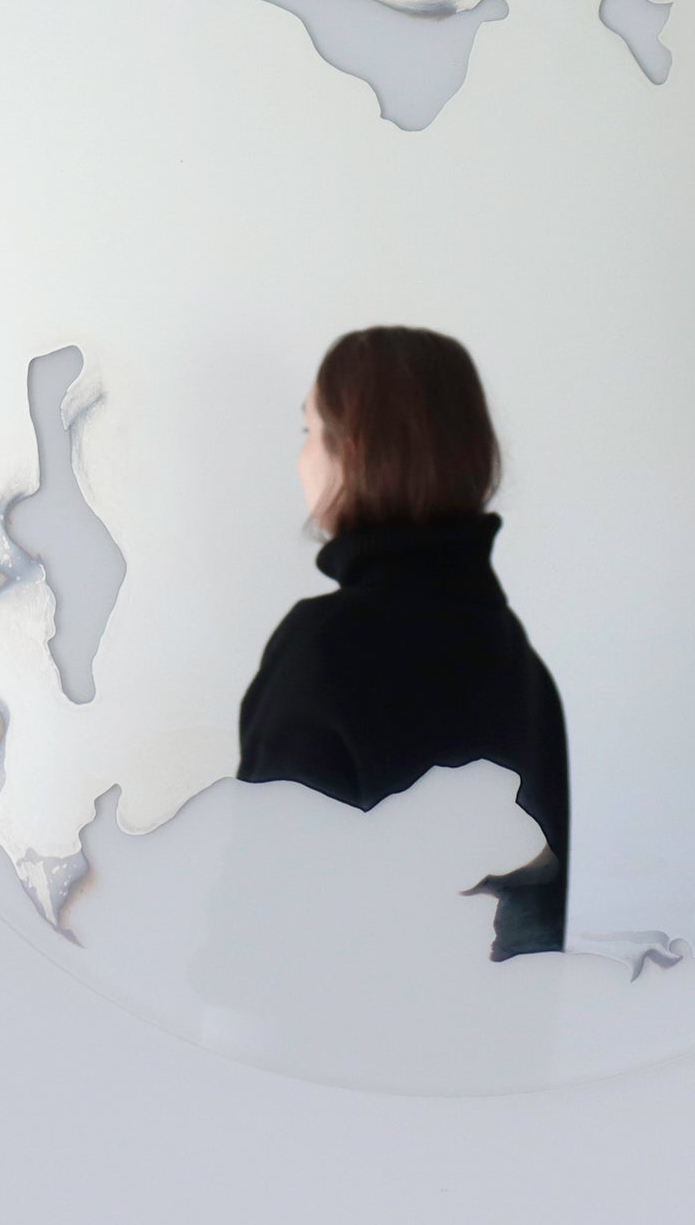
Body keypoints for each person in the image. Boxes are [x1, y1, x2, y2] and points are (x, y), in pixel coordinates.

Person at [236, 326, 570, 959]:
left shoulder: (324, 647)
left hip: (349, 1016)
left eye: (310, 430)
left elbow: (267, 918)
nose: (302, 457)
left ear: (355, 449)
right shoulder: (521, 664)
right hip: (511, 1020)